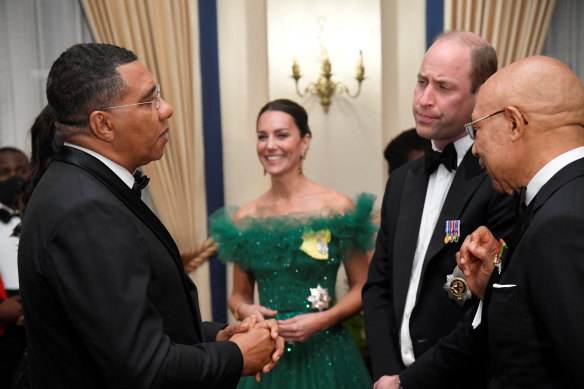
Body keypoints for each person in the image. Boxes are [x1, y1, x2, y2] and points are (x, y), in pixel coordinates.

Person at [18, 43, 283, 388]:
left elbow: (125, 327)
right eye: (150, 100)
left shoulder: (83, 186)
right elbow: (143, 367)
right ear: (104, 125)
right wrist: (237, 356)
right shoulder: (86, 210)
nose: (167, 109)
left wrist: (220, 337)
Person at [400, 55, 584, 388]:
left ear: (514, 123)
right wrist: (490, 288)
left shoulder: (562, 220)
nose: (474, 148)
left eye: (477, 129)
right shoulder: (557, 198)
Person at [362, 31, 516, 389]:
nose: (424, 99)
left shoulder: (499, 178)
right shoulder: (401, 181)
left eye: (443, 87)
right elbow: (378, 287)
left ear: (482, 93)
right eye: (421, 82)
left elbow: (488, 302)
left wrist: (411, 381)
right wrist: (387, 372)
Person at [210, 99, 377, 388]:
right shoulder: (245, 218)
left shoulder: (336, 207)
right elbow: (238, 295)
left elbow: (363, 285)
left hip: (328, 350)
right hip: (267, 350)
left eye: (281, 135)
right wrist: (246, 310)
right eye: (262, 137)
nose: (270, 145)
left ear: (305, 141)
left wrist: (324, 320)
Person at [0, 147, 29, 386]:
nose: (15, 177)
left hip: (39, 306)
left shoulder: (44, 210)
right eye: (4, 172)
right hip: (5, 310)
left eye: (21, 170)